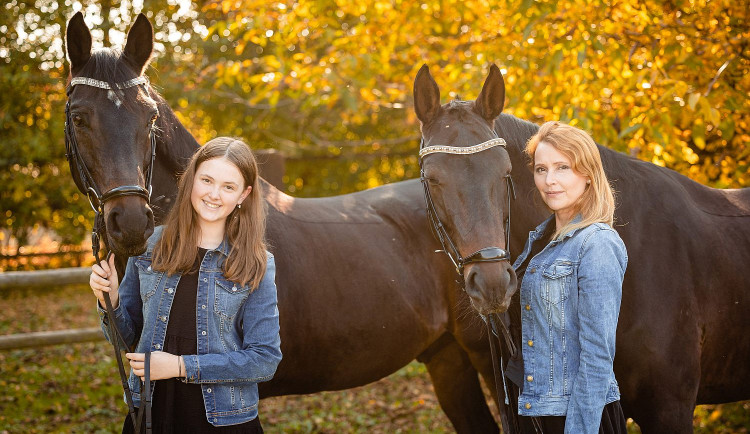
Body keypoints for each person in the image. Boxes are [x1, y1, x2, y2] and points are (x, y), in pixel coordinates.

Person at [89, 137, 282, 433]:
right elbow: (127, 341)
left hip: (224, 419)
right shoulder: (150, 245)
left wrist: (180, 367)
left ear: (244, 194)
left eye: (228, 186)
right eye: (207, 180)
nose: (214, 194)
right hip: (152, 412)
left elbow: (264, 360)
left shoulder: (257, 262)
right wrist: (110, 300)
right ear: (191, 180)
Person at [504, 121, 628, 434]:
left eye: (563, 167)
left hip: (576, 417)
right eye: (541, 169)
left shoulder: (597, 243)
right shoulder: (539, 241)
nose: (550, 181)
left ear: (587, 174)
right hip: (534, 408)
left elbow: (598, 355)